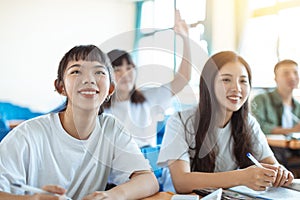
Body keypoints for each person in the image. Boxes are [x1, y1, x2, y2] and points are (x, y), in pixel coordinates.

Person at [0, 45, 159, 200]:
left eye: (99, 72)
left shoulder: (112, 129)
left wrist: (110, 196)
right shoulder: (26, 135)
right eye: (76, 71)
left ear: (110, 89)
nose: (89, 79)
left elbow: (148, 180)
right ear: (60, 87)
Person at [157, 51, 294, 193]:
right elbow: (181, 182)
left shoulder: (248, 123)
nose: (237, 88)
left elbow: (271, 165)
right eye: (226, 80)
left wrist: (280, 174)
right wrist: (241, 177)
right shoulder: (180, 121)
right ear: (208, 84)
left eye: (243, 81)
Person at [104, 10, 191, 148]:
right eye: (117, 70)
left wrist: (185, 39)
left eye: (129, 68)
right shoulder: (100, 109)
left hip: (147, 163)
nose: (125, 74)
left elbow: (183, 79)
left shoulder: (149, 98)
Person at [251, 59, 300, 135]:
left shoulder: (298, 105)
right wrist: (292, 130)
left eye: (295, 73)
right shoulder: (261, 99)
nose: (292, 77)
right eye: (286, 73)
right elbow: (257, 126)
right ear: (276, 79)